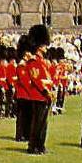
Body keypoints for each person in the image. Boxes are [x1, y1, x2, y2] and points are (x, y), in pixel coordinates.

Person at [27, 25, 53, 155]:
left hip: (45, 95)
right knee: (37, 122)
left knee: (43, 123)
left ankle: (40, 145)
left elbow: (48, 78)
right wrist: (45, 90)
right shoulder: (33, 61)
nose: (45, 47)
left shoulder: (43, 61)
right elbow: (36, 79)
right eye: (43, 44)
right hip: (38, 95)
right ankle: (33, 146)